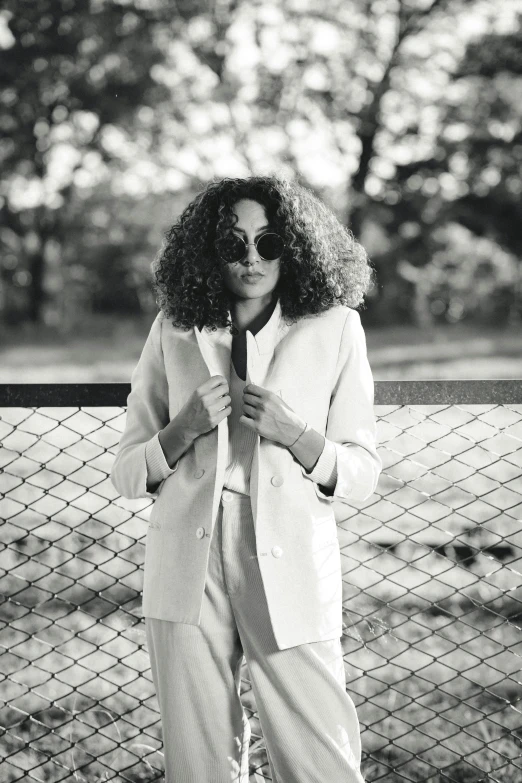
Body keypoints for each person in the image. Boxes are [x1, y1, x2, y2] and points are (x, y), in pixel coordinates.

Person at [110, 175, 382, 783]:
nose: (253, 259)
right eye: (235, 245)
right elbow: (127, 471)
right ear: (210, 252)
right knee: (197, 763)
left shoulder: (336, 327)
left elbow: (362, 473)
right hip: (187, 560)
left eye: (270, 242)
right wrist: (180, 431)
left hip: (288, 558)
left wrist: (300, 436)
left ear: (297, 246)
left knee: (321, 760)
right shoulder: (173, 327)